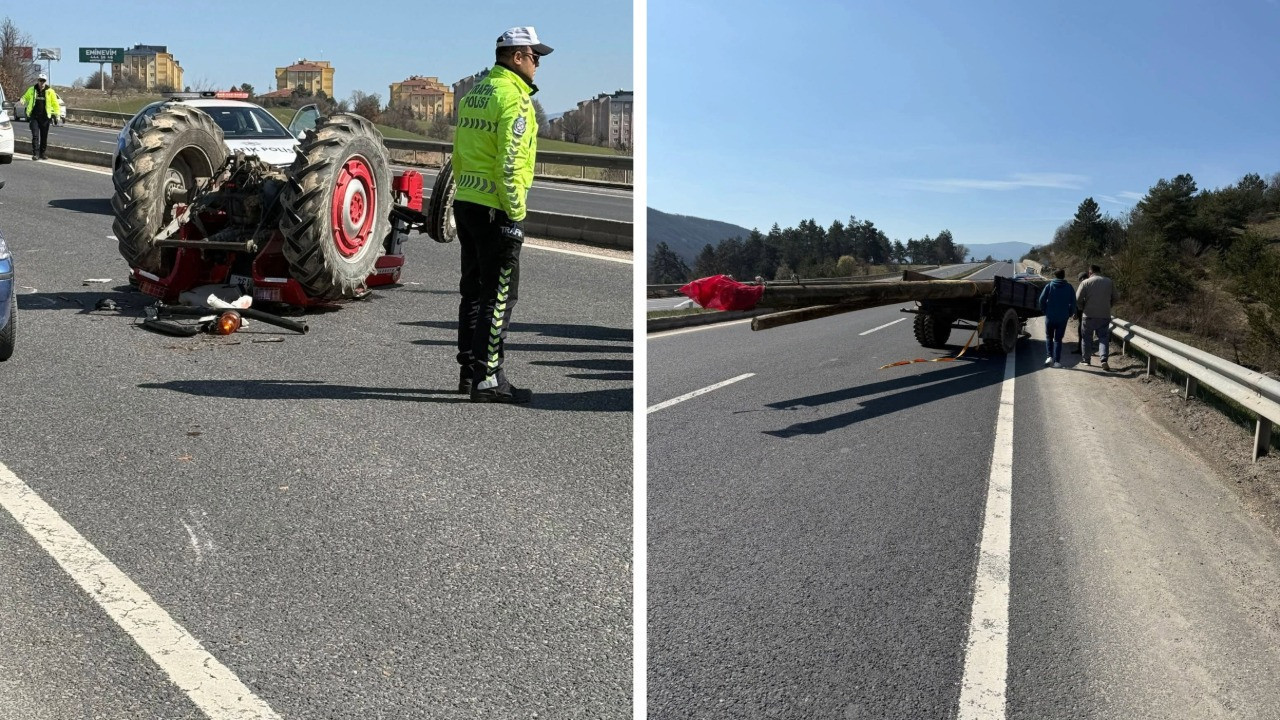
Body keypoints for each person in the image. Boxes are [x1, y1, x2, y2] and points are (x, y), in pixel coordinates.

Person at [452, 26, 552, 404]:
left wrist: (464, 195)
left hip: (468, 203)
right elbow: (509, 162)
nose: (538, 64)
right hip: (497, 208)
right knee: (499, 296)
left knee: (473, 290)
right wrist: (515, 214)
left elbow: (459, 154)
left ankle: (469, 371)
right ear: (515, 57)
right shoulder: (516, 100)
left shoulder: (474, 94)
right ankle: (490, 379)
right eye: (534, 56)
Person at [1076, 263, 1118, 371]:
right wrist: (1109, 306)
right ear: (1100, 271)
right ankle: (1103, 359)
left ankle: (1086, 360)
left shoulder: (1085, 282)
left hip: (1088, 315)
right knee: (1103, 338)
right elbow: (1116, 297)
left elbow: (1078, 299)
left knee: (1086, 338)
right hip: (1104, 315)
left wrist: (1082, 308)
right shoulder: (1109, 281)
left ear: (1090, 272)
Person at [1038, 268, 1076, 368]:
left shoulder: (1049, 286)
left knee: (1049, 337)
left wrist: (1044, 310)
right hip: (1063, 318)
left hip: (1050, 316)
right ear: (1064, 276)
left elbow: (1041, 300)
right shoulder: (1069, 287)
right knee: (1058, 339)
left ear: (1055, 276)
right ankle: (1057, 362)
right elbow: (1073, 303)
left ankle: (1049, 356)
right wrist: (1070, 313)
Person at [20, 74, 60, 161]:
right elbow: (25, 97)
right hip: (34, 117)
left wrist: (57, 115)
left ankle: (42, 153)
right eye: (40, 80)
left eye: (43, 81)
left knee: (44, 136)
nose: (42, 82)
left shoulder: (50, 91)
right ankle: (36, 154)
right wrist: (22, 100)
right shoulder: (32, 89)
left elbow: (55, 104)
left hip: (45, 118)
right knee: (35, 136)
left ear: (45, 82)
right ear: (38, 80)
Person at [1069, 270, 1089, 355]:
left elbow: (1077, 300)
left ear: (1081, 278)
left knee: (1082, 331)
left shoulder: (1083, 285)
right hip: (1095, 312)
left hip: (1083, 312)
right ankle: (1085, 349)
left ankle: (1082, 350)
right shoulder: (1092, 284)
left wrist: (1075, 312)